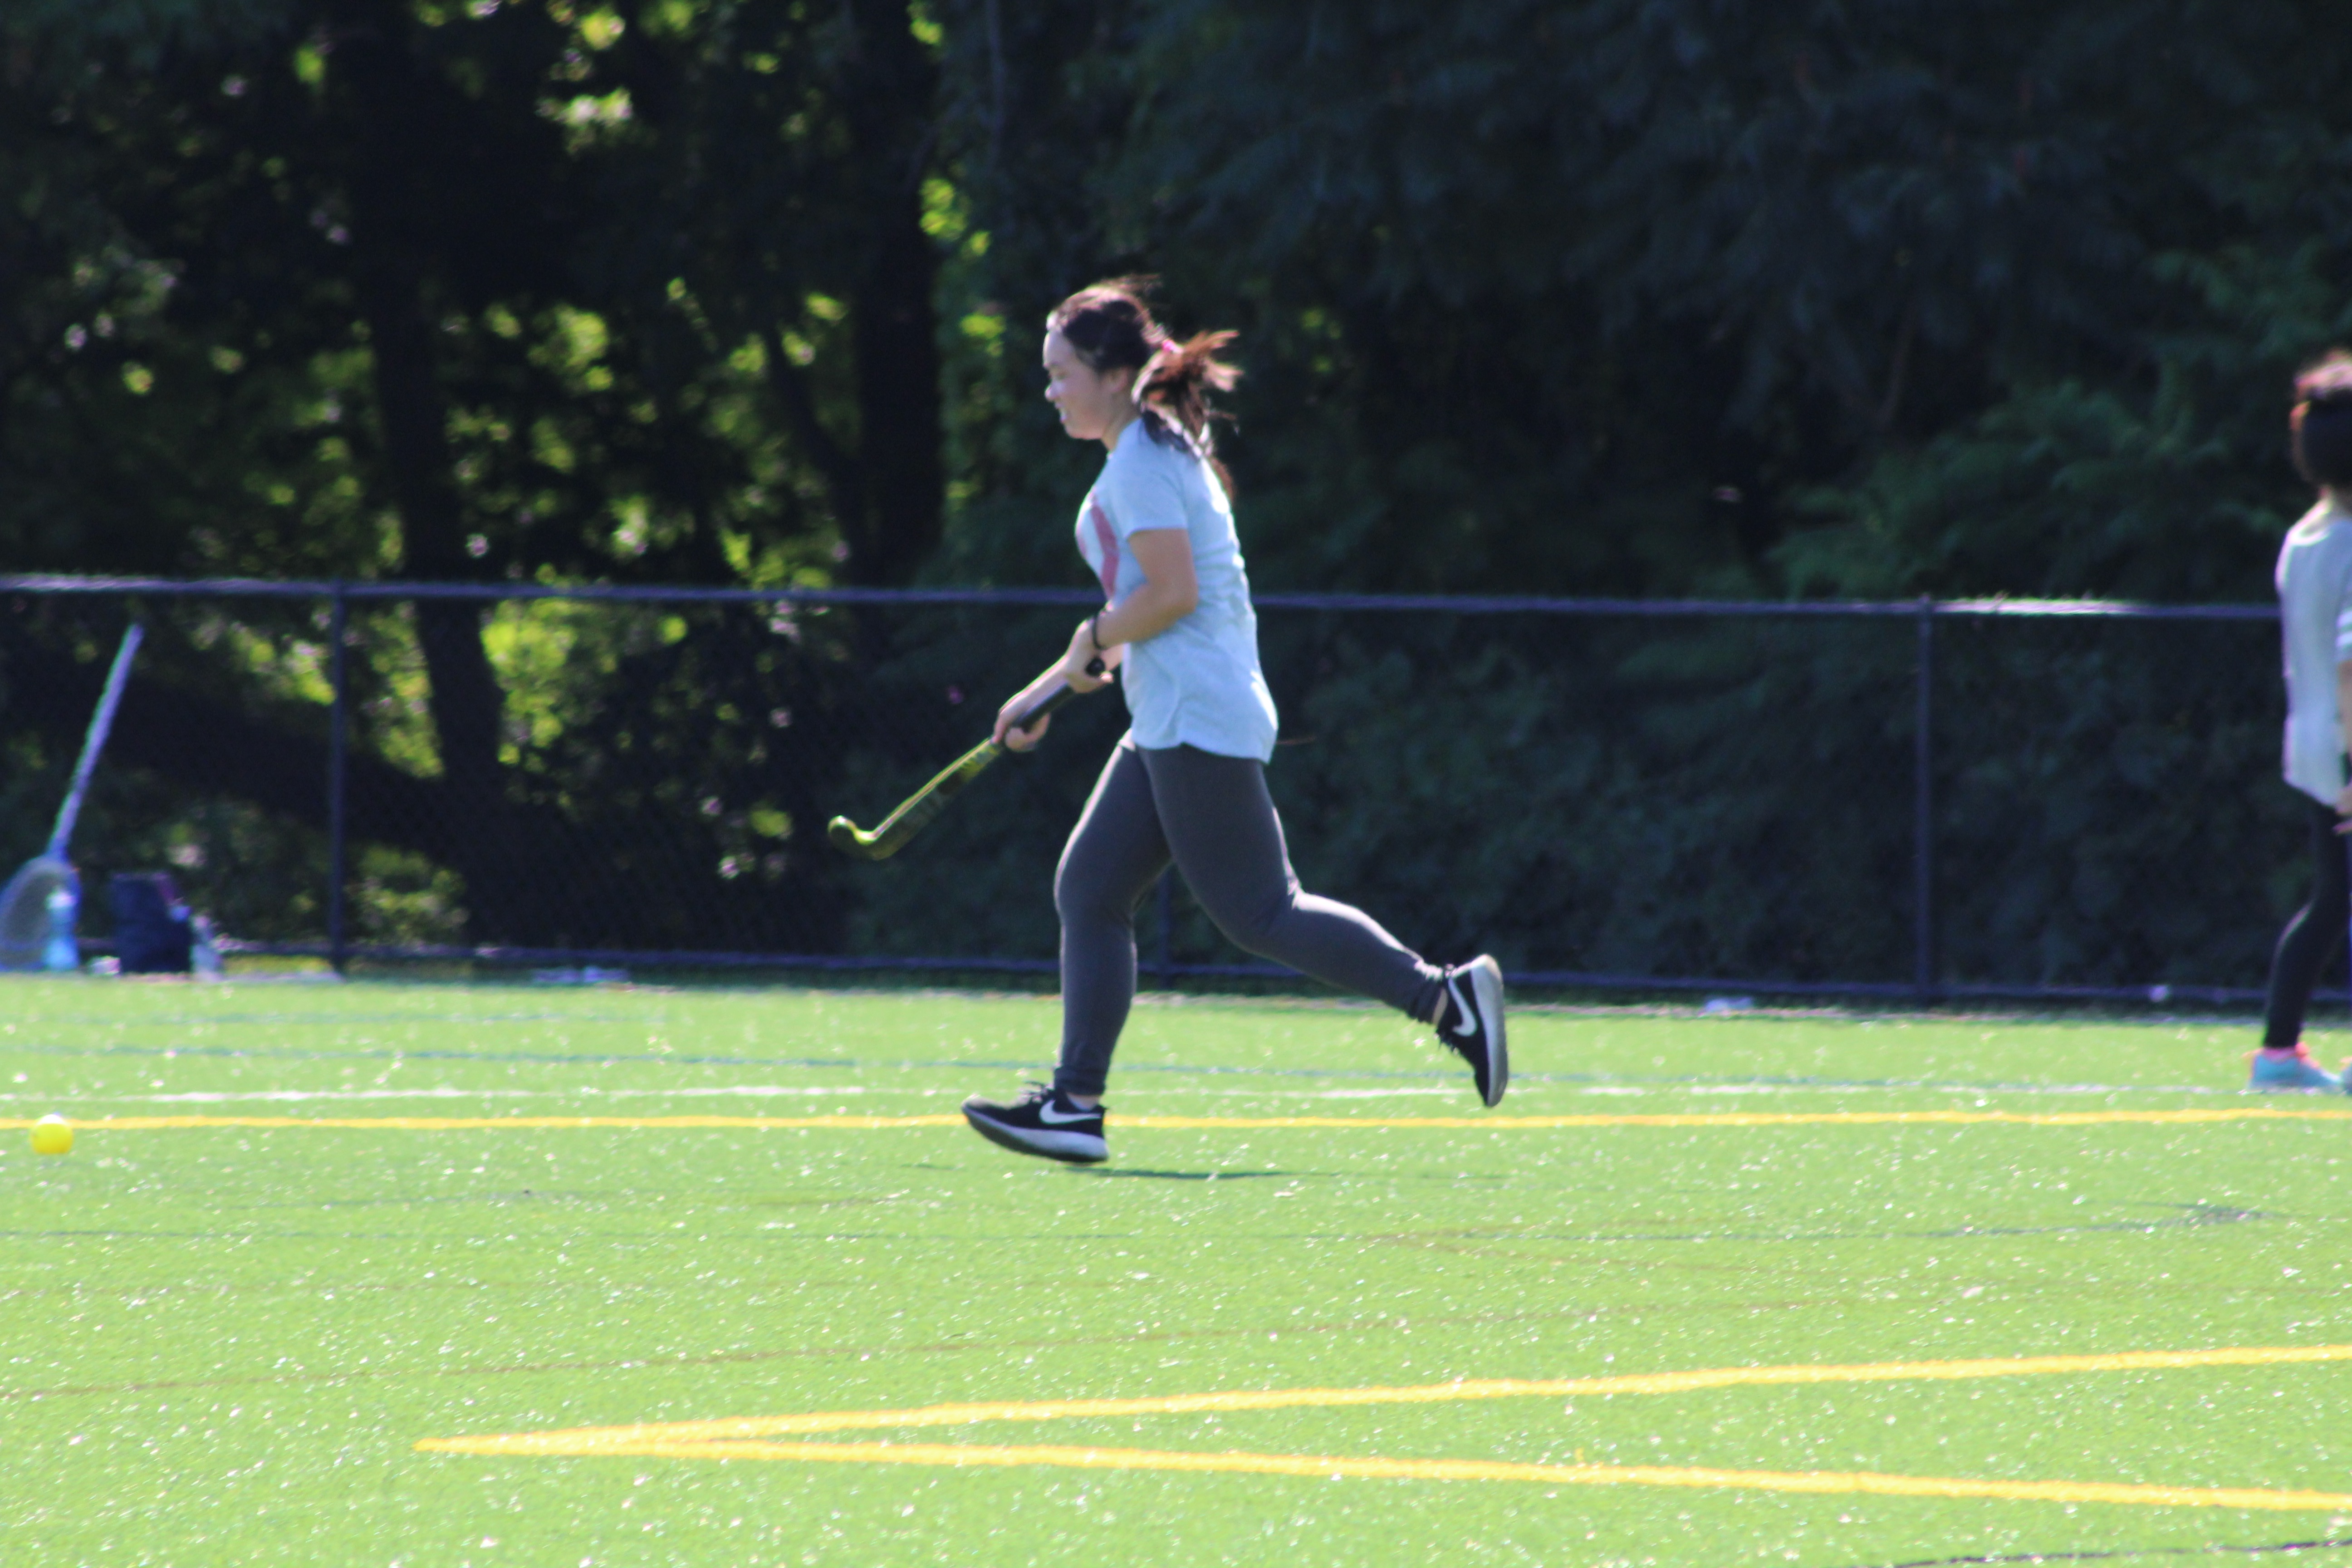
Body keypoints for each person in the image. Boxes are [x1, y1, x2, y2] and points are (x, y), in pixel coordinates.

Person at [959, 279, 1506, 1163]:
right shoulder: (1151, 454)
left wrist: (1087, 642)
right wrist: (1055, 686)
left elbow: (1169, 596)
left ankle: (1448, 1001)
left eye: (1061, 374)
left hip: (1195, 718)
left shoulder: (1141, 462)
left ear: (1109, 374)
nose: (1050, 392)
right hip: (1174, 711)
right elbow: (1153, 610)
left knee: (1261, 912)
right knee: (1091, 890)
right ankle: (1073, 1105)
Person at [2255, 349, 2352, 1091]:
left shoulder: (2304, 538)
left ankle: (2279, 1056)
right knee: (2332, 902)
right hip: (2347, 752)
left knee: (2330, 902)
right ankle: (2279, 1059)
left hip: (2312, 745)